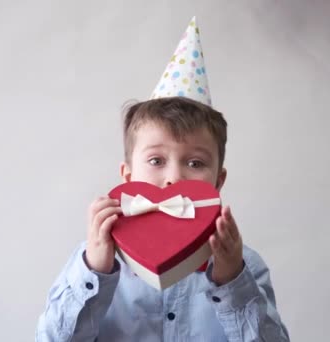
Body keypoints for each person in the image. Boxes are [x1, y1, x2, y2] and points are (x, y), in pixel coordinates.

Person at [36, 17, 289, 342]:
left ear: (218, 181)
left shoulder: (244, 266)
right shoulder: (94, 260)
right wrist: (95, 272)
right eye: (156, 160)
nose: (174, 178)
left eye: (195, 162)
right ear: (128, 176)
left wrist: (231, 281)